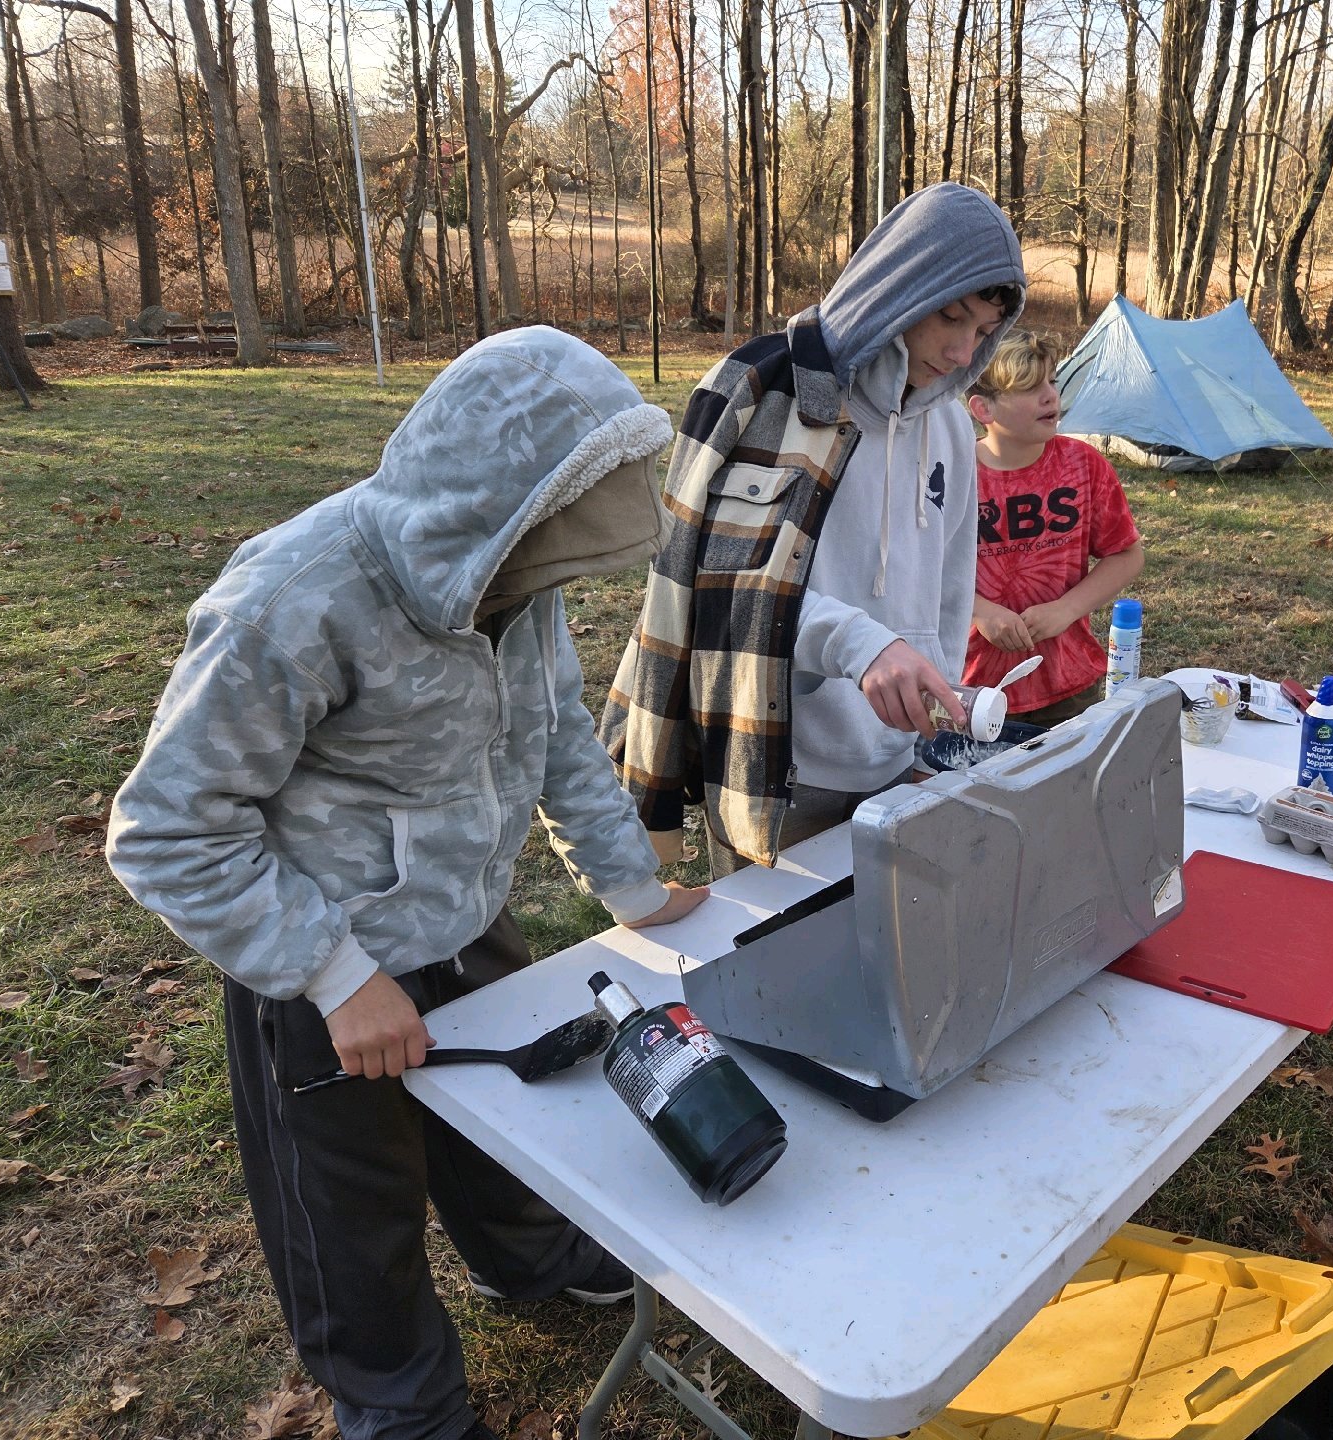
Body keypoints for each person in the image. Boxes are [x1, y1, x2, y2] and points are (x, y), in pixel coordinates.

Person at [106, 327, 706, 1440]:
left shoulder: (517, 582)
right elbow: (165, 828)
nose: (550, 582)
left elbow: (557, 730)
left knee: (506, 1120)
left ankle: (527, 1258)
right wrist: (336, 978)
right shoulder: (293, 599)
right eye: (546, 555)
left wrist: (633, 888)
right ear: (490, 508)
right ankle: (399, 1402)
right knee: (349, 1213)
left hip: (466, 918)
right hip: (315, 955)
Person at [603, 182, 1027, 876]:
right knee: (776, 969)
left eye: (982, 333)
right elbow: (718, 591)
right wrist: (859, 644)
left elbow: (951, 585)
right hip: (777, 760)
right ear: (900, 288)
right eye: (950, 317)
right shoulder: (768, 392)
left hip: (899, 757)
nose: (960, 352)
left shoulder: (950, 422)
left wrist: (938, 718)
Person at [963, 330, 1145, 725]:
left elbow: (1127, 555)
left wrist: (1067, 609)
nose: (1050, 396)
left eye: (1052, 381)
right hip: (970, 688)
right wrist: (979, 612)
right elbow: (919, 572)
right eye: (1030, 387)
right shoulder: (951, 472)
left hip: (1068, 683)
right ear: (984, 409)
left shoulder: (1083, 465)